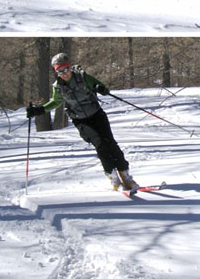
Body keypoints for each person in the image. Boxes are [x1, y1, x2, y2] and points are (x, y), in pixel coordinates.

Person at [26, 53, 138, 191]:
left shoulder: (82, 76)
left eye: (66, 69)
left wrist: (100, 88)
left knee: (111, 143)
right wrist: (40, 110)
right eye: (60, 71)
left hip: (97, 114)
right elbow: (55, 102)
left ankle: (125, 176)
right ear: (56, 72)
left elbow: (102, 87)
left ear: (70, 67)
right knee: (100, 145)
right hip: (81, 120)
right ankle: (114, 178)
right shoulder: (58, 87)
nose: (64, 73)